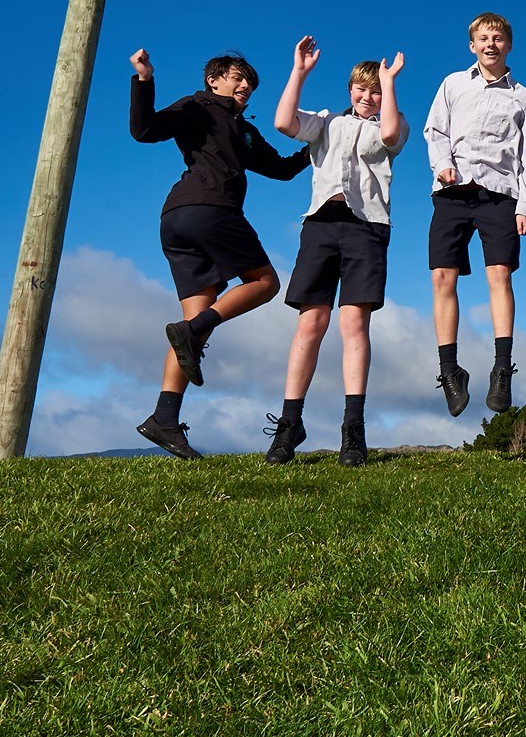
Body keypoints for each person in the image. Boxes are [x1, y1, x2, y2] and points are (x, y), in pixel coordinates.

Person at [128, 48, 310, 459]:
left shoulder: (242, 129)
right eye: (237, 77)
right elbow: (145, 129)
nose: (245, 86)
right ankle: (192, 332)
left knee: (195, 322)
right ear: (214, 80)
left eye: (250, 83)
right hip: (208, 209)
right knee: (265, 283)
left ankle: (164, 419)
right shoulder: (199, 107)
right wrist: (144, 80)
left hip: (177, 221)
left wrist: (317, 146)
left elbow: (280, 169)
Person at [266, 38, 408, 467]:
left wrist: (389, 82)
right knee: (311, 322)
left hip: (367, 229)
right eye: (362, 89)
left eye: (375, 90)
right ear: (350, 91)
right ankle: (290, 425)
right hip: (320, 226)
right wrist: (300, 72)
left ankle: (353, 430)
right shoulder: (327, 122)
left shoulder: (395, 120)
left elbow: (387, 135)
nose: (368, 97)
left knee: (353, 323)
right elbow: (283, 123)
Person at [423, 13, 526, 420]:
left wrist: (525, 205)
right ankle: (450, 370)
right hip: (452, 192)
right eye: (483, 38)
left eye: (498, 38)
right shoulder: (453, 84)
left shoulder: (524, 97)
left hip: (499, 197)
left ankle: (502, 368)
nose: (491, 44)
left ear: (508, 45)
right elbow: (434, 131)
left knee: (499, 276)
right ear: (472, 45)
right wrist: (442, 165)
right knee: (442, 277)